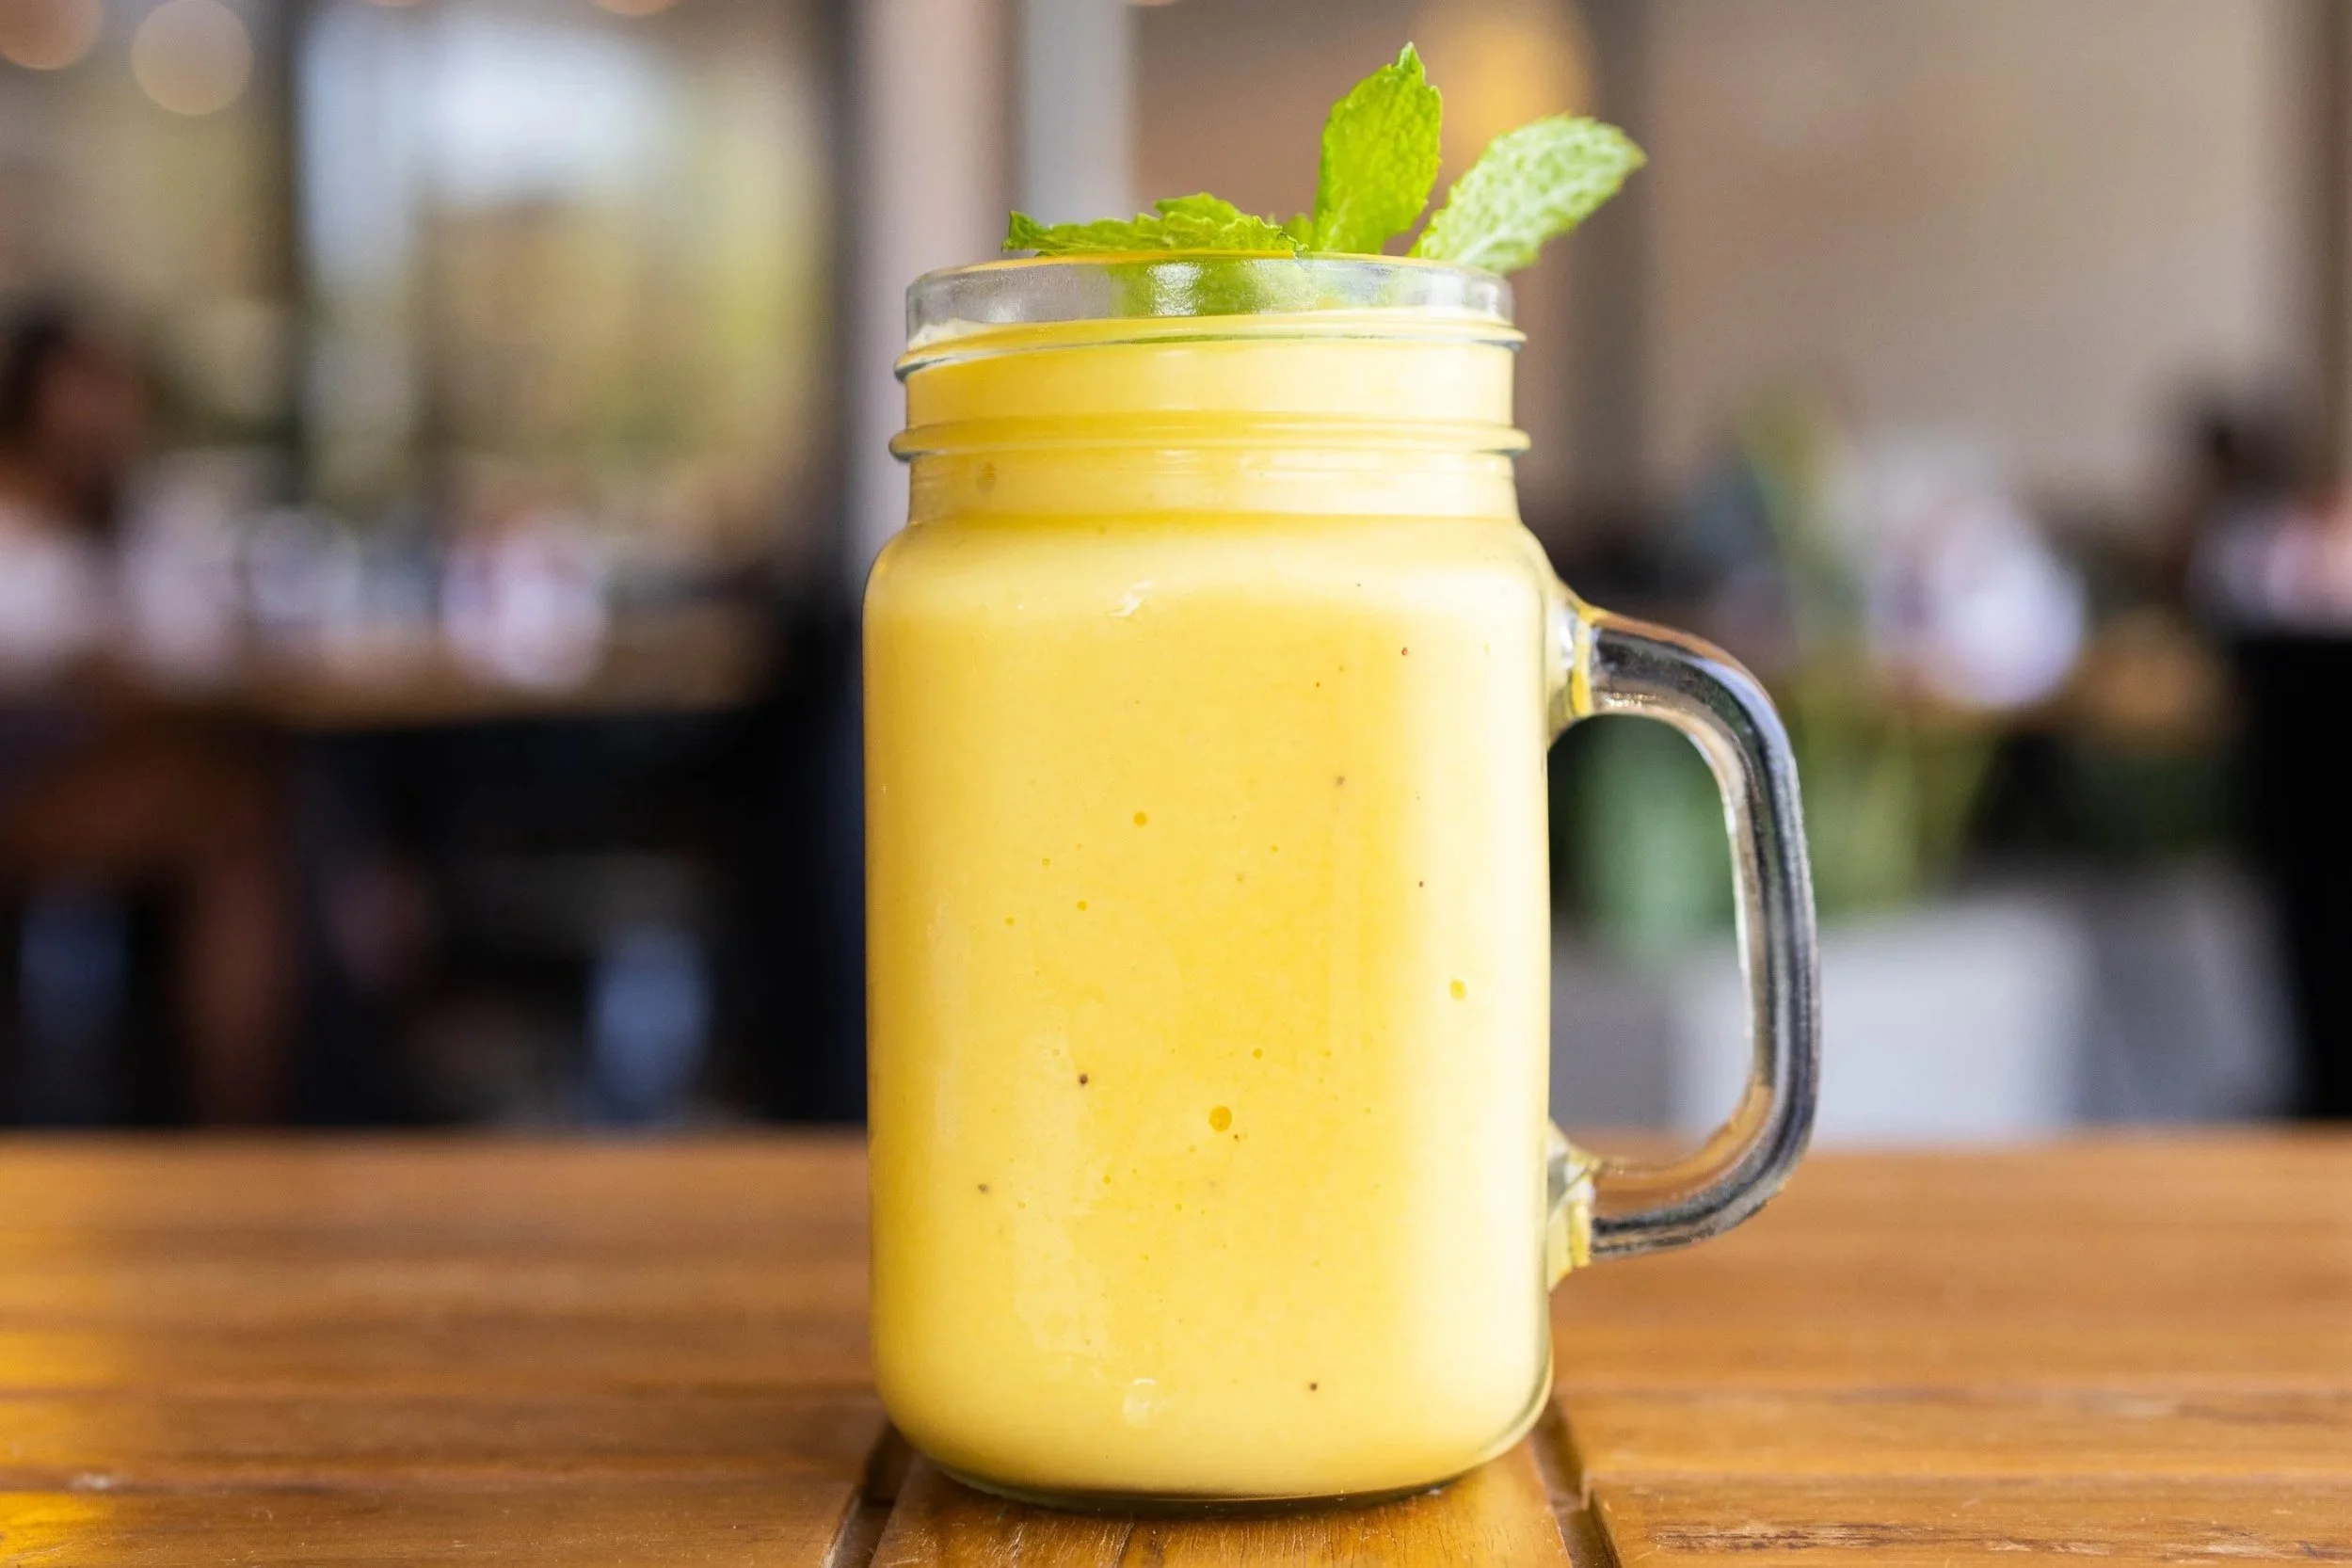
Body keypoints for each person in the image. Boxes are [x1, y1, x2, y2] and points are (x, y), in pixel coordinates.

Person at [0, 305, 295, 1123]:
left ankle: (244, 1120)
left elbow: (206, 645)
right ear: (32, 393)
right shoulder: (18, 523)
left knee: (250, 801)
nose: (112, 409)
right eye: (89, 385)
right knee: (236, 818)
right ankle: (237, 1132)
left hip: (115, 774)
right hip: (26, 783)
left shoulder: (147, 518)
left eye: (123, 387)